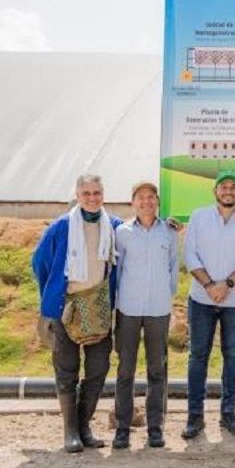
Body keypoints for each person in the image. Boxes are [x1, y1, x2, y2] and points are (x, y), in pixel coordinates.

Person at [32, 174, 122, 453]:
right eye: (86, 193)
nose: (92, 198)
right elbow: (40, 263)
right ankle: (69, 431)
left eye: (96, 193)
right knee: (67, 368)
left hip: (99, 309)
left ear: (103, 194)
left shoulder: (115, 226)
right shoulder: (61, 227)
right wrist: (55, 292)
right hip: (67, 308)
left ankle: (84, 426)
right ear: (78, 195)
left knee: (98, 369)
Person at [181, 170, 235, 439]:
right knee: (198, 356)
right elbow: (190, 254)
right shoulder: (198, 216)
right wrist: (209, 286)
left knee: (233, 356)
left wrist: (226, 285)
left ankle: (229, 413)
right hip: (201, 298)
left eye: (233, 187)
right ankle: (195, 416)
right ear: (215, 191)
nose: (228, 191)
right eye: (223, 186)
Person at [111, 182, 178, 449]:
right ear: (133, 202)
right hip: (128, 308)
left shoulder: (169, 232)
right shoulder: (122, 232)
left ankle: (155, 427)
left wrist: (166, 294)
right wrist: (116, 304)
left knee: (157, 370)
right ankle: (122, 427)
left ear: (157, 201)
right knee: (125, 369)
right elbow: (118, 269)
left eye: (151, 197)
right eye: (140, 198)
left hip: (158, 309)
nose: (146, 202)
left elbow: (173, 268)